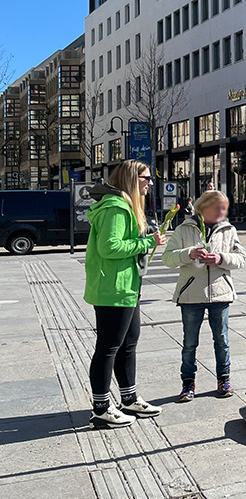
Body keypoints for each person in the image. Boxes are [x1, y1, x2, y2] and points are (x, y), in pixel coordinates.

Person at [84, 160, 167, 428]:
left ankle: (128, 398)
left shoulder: (126, 206)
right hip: (113, 288)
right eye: (146, 178)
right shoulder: (116, 208)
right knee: (108, 348)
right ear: (132, 179)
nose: (150, 183)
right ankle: (101, 407)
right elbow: (109, 247)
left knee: (128, 343)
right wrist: (147, 242)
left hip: (126, 286)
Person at [162, 190, 246, 402]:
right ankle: (188, 383)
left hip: (220, 293)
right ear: (204, 207)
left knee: (222, 341)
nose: (222, 212)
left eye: (224, 208)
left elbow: (241, 258)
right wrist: (188, 253)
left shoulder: (228, 229)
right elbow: (167, 258)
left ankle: (224, 379)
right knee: (190, 343)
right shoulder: (184, 229)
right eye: (218, 207)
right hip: (191, 294)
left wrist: (221, 258)